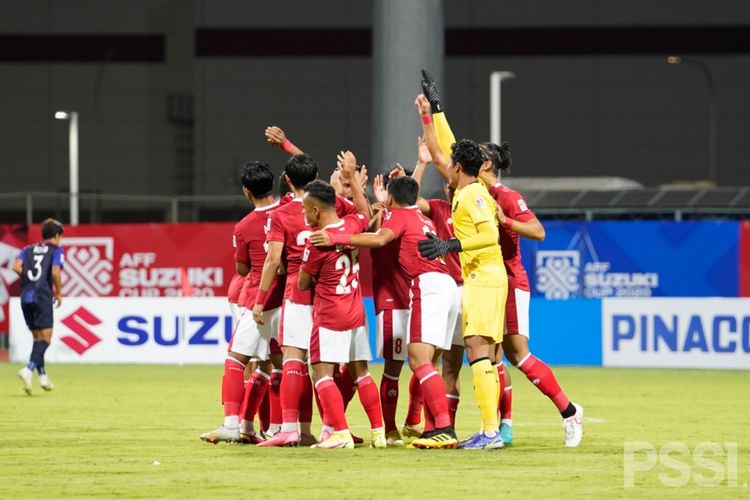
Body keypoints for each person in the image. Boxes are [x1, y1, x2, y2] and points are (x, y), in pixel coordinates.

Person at [311, 175, 460, 449]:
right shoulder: (423, 217)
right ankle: (432, 428)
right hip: (450, 285)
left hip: (428, 285)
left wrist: (336, 237)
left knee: (418, 361)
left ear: (391, 198)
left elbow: (379, 240)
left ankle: (444, 428)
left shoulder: (400, 216)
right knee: (432, 360)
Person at [416, 94, 507, 450]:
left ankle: (490, 431)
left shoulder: (471, 196)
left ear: (458, 167)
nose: (446, 162)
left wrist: (449, 245)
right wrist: (437, 110)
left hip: (485, 277)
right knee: (478, 349)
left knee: (478, 349)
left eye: (450, 161)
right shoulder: (469, 187)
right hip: (482, 277)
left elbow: (490, 234)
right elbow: (450, 147)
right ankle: (490, 429)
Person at [480, 142, 584, 448]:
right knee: (490, 354)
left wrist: (506, 220)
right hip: (487, 281)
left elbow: (539, 231)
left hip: (510, 281)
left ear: (487, 165)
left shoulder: (508, 197)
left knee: (519, 355)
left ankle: (570, 412)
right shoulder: (474, 194)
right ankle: (502, 426)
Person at [256, 153, 363, 447]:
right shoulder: (335, 203)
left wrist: (259, 300)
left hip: (299, 290)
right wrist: (353, 181)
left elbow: (273, 260)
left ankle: (292, 428)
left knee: (294, 360)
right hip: (331, 295)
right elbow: (363, 218)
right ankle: (330, 427)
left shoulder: (278, 214)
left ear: (287, 180)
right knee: (328, 366)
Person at [200, 162, 284, 444]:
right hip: (290, 300)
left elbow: (243, 268)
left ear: (247, 192)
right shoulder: (291, 211)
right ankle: (283, 428)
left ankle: (233, 424)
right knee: (280, 365)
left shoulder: (244, 226)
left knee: (236, 360)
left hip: (259, 301)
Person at [298, 178, 385, 449]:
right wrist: (356, 182)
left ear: (316, 211)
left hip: (330, 315)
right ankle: (379, 433)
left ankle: (341, 433)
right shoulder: (351, 226)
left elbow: (302, 283)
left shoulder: (317, 242)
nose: (303, 215)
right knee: (362, 372)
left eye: (305, 210)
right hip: (357, 312)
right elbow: (365, 213)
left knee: (322, 374)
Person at [14, 218, 64, 395]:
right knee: (46, 339)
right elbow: (55, 272)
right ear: (57, 235)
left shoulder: (27, 249)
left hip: (26, 296)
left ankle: (42, 376)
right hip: (42, 295)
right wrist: (58, 293)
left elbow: (16, 266)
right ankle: (28, 370)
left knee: (37, 339)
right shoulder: (56, 250)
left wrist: (29, 278)